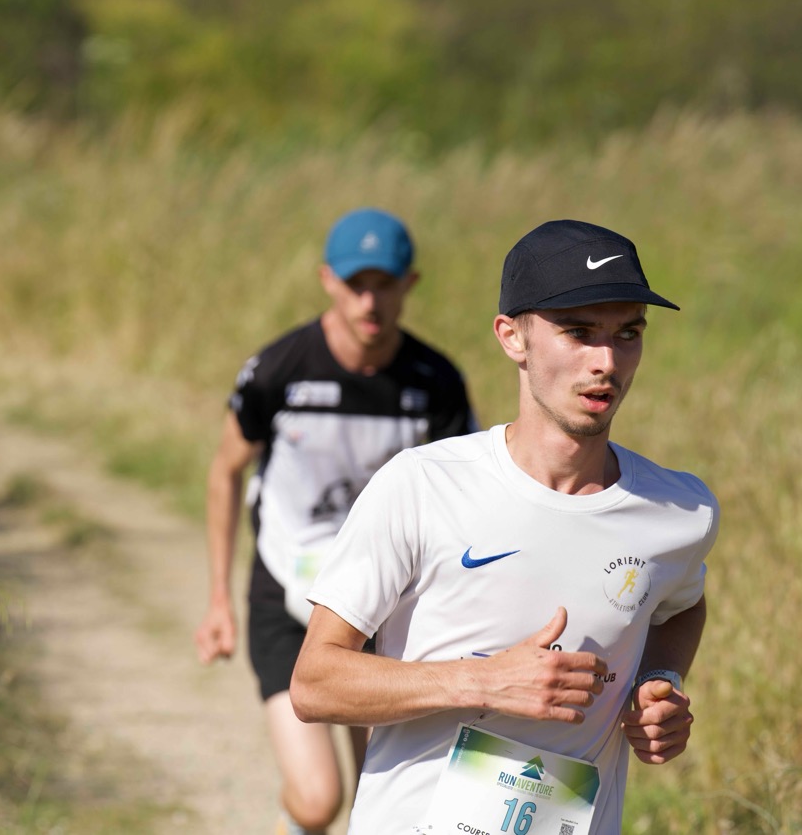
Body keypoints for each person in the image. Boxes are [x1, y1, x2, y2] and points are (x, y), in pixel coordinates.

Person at [290, 219, 719, 834]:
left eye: (628, 333)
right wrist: (484, 681)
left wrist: (659, 681)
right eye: (578, 333)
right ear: (512, 338)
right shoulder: (423, 485)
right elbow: (315, 683)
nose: (606, 361)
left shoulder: (679, 512)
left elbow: (682, 604)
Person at [194, 207, 477, 834]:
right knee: (318, 800)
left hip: (383, 601)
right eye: (355, 284)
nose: (369, 301)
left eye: (385, 284)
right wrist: (218, 599)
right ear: (327, 280)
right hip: (286, 592)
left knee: (384, 807)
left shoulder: (437, 383)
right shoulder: (279, 369)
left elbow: (464, 500)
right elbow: (225, 471)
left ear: (410, 284)